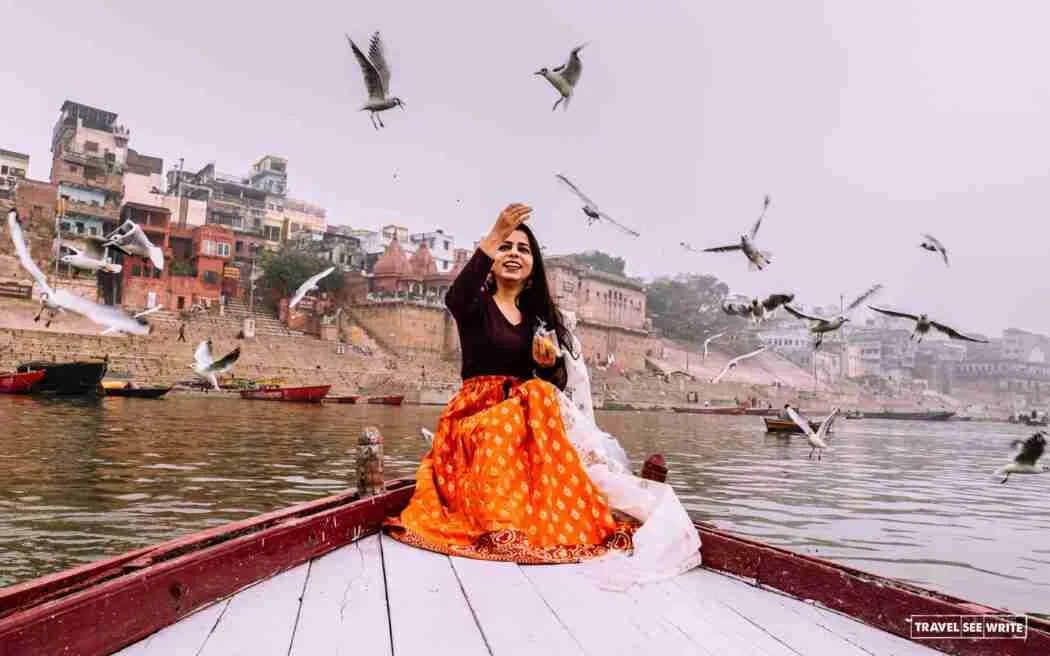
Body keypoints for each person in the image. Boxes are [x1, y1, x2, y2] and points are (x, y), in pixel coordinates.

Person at [386, 204, 633, 564]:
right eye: (507, 247)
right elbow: (454, 296)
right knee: (507, 419)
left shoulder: (539, 320)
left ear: (534, 268)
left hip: (523, 420)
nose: (514, 253)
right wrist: (496, 233)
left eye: (523, 249)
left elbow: (555, 385)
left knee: (538, 392)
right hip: (476, 418)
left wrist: (547, 366)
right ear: (492, 259)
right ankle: (501, 526)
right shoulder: (475, 306)